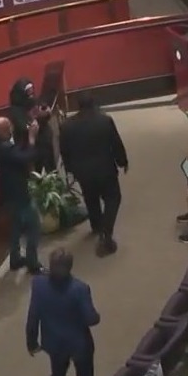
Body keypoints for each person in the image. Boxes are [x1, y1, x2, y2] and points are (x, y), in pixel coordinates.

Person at [26, 249, 101, 376]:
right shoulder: (80, 288)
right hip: (79, 344)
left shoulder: (38, 285)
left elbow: (32, 317)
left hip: (54, 344)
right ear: (70, 267)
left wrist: (32, 342)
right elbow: (91, 318)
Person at [59, 93, 128, 256]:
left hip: (82, 171)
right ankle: (106, 232)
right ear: (94, 103)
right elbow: (115, 143)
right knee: (113, 198)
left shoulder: (67, 126)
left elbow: (64, 151)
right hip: (105, 168)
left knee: (90, 197)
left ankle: (96, 225)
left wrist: (70, 170)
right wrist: (122, 161)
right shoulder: (105, 120)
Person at [0, 117, 43, 273]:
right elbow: (27, 157)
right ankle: (33, 263)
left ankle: (15, 259)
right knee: (34, 226)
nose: (11, 128)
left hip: (8, 193)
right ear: (3, 131)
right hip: (19, 194)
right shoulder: (5, 148)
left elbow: (17, 152)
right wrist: (32, 138)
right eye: (8, 127)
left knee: (15, 228)